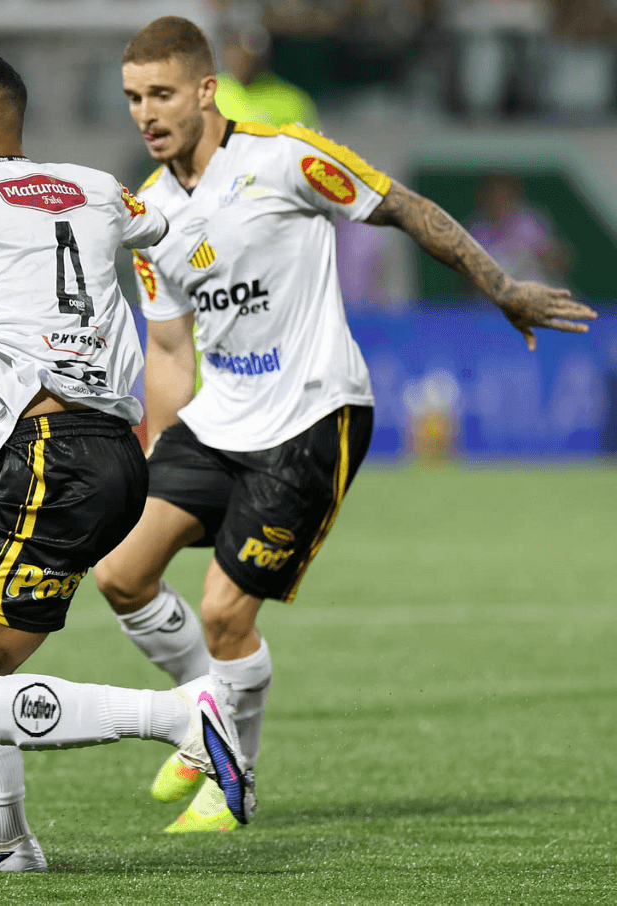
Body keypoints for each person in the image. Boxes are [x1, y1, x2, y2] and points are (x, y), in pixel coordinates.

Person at [95, 15, 597, 833]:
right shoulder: (147, 213)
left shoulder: (286, 157)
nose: (146, 113)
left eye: (162, 94)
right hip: (219, 418)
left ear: (207, 90)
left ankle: (231, 775)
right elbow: (170, 347)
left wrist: (501, 286)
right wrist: (156, 447)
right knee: (119, 571)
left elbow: (401, 205)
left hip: (311, 415)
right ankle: (203, 714)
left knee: (223, 613)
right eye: (133, 98)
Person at [0, 51, 253, 874]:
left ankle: (185, 716)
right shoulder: (95, 187)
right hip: (106, 453)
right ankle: (5, 836)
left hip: (53, 460)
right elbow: (174, 233)